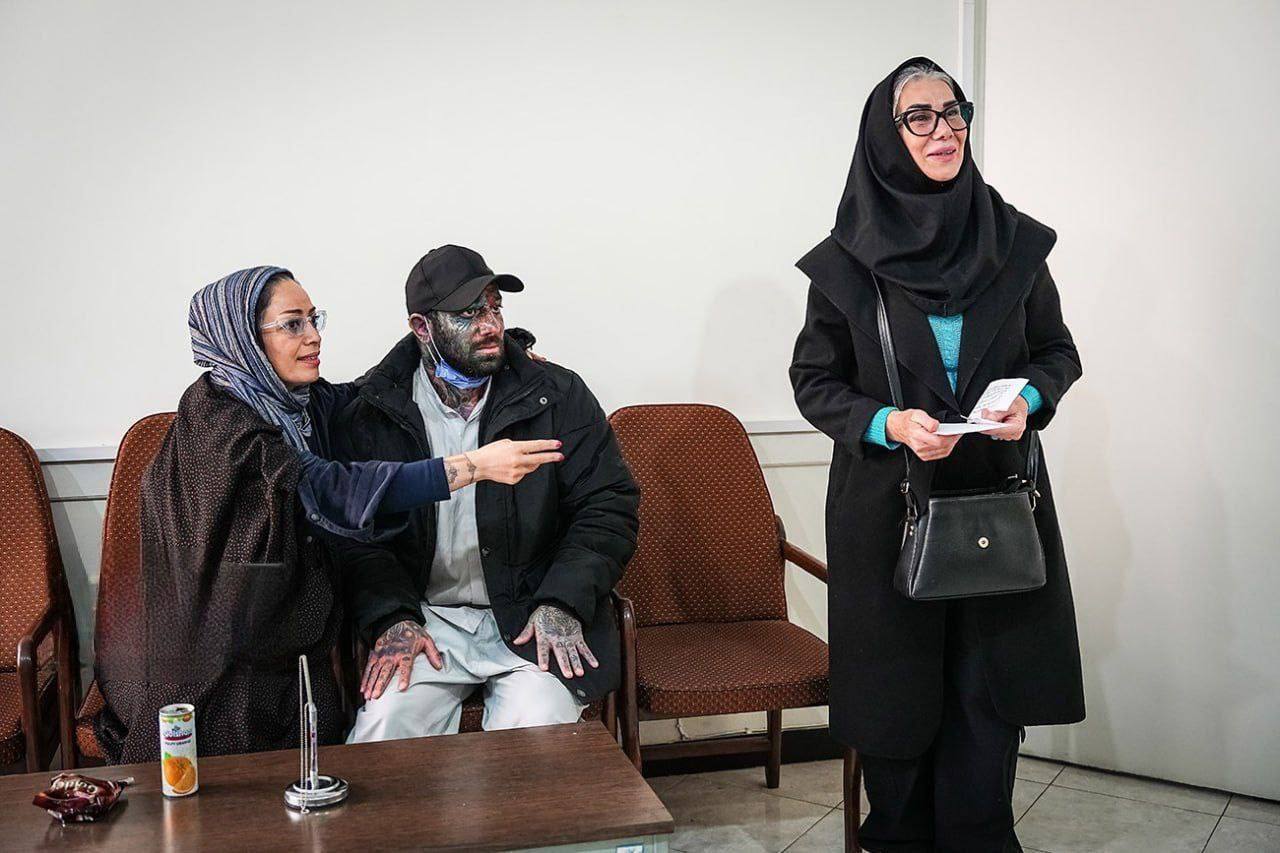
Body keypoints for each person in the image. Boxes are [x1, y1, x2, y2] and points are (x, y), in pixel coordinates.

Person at [790, 58, 1085, 852]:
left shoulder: (1014, 243)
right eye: (918, 116)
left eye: (953, 112)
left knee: (988, 693)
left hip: (997, 502)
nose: (943, 130)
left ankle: (981, 836)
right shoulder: (845, 262)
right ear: (885, 137)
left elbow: (1056, 352)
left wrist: (1029, 400)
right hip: (888, 512)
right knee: (898, 698)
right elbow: (814, 381)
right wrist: (889, 422)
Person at [95, 265, 562, 762]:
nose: (313, 336)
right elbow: (329, 489)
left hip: (286, 643)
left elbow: (371, 390)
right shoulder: (221, 423)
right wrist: (472, 466)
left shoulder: (295, 402)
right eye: (292, 324)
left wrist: (486, 347)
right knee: (229, 790)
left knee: (305, 779)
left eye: (313, 319)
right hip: (217, 654)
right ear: (241, 337)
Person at [337, 244, 639, 741]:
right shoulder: (375, 411)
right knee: (385, 730)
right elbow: (357, 536)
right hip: (426, 621)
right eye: (468, 314)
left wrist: (562, 601)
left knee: (536, 732)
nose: (490, 325)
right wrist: (390, 616)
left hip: (530, 615)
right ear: (421, 327)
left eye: (495, 308)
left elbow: (607, 507)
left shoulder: (556, 394)